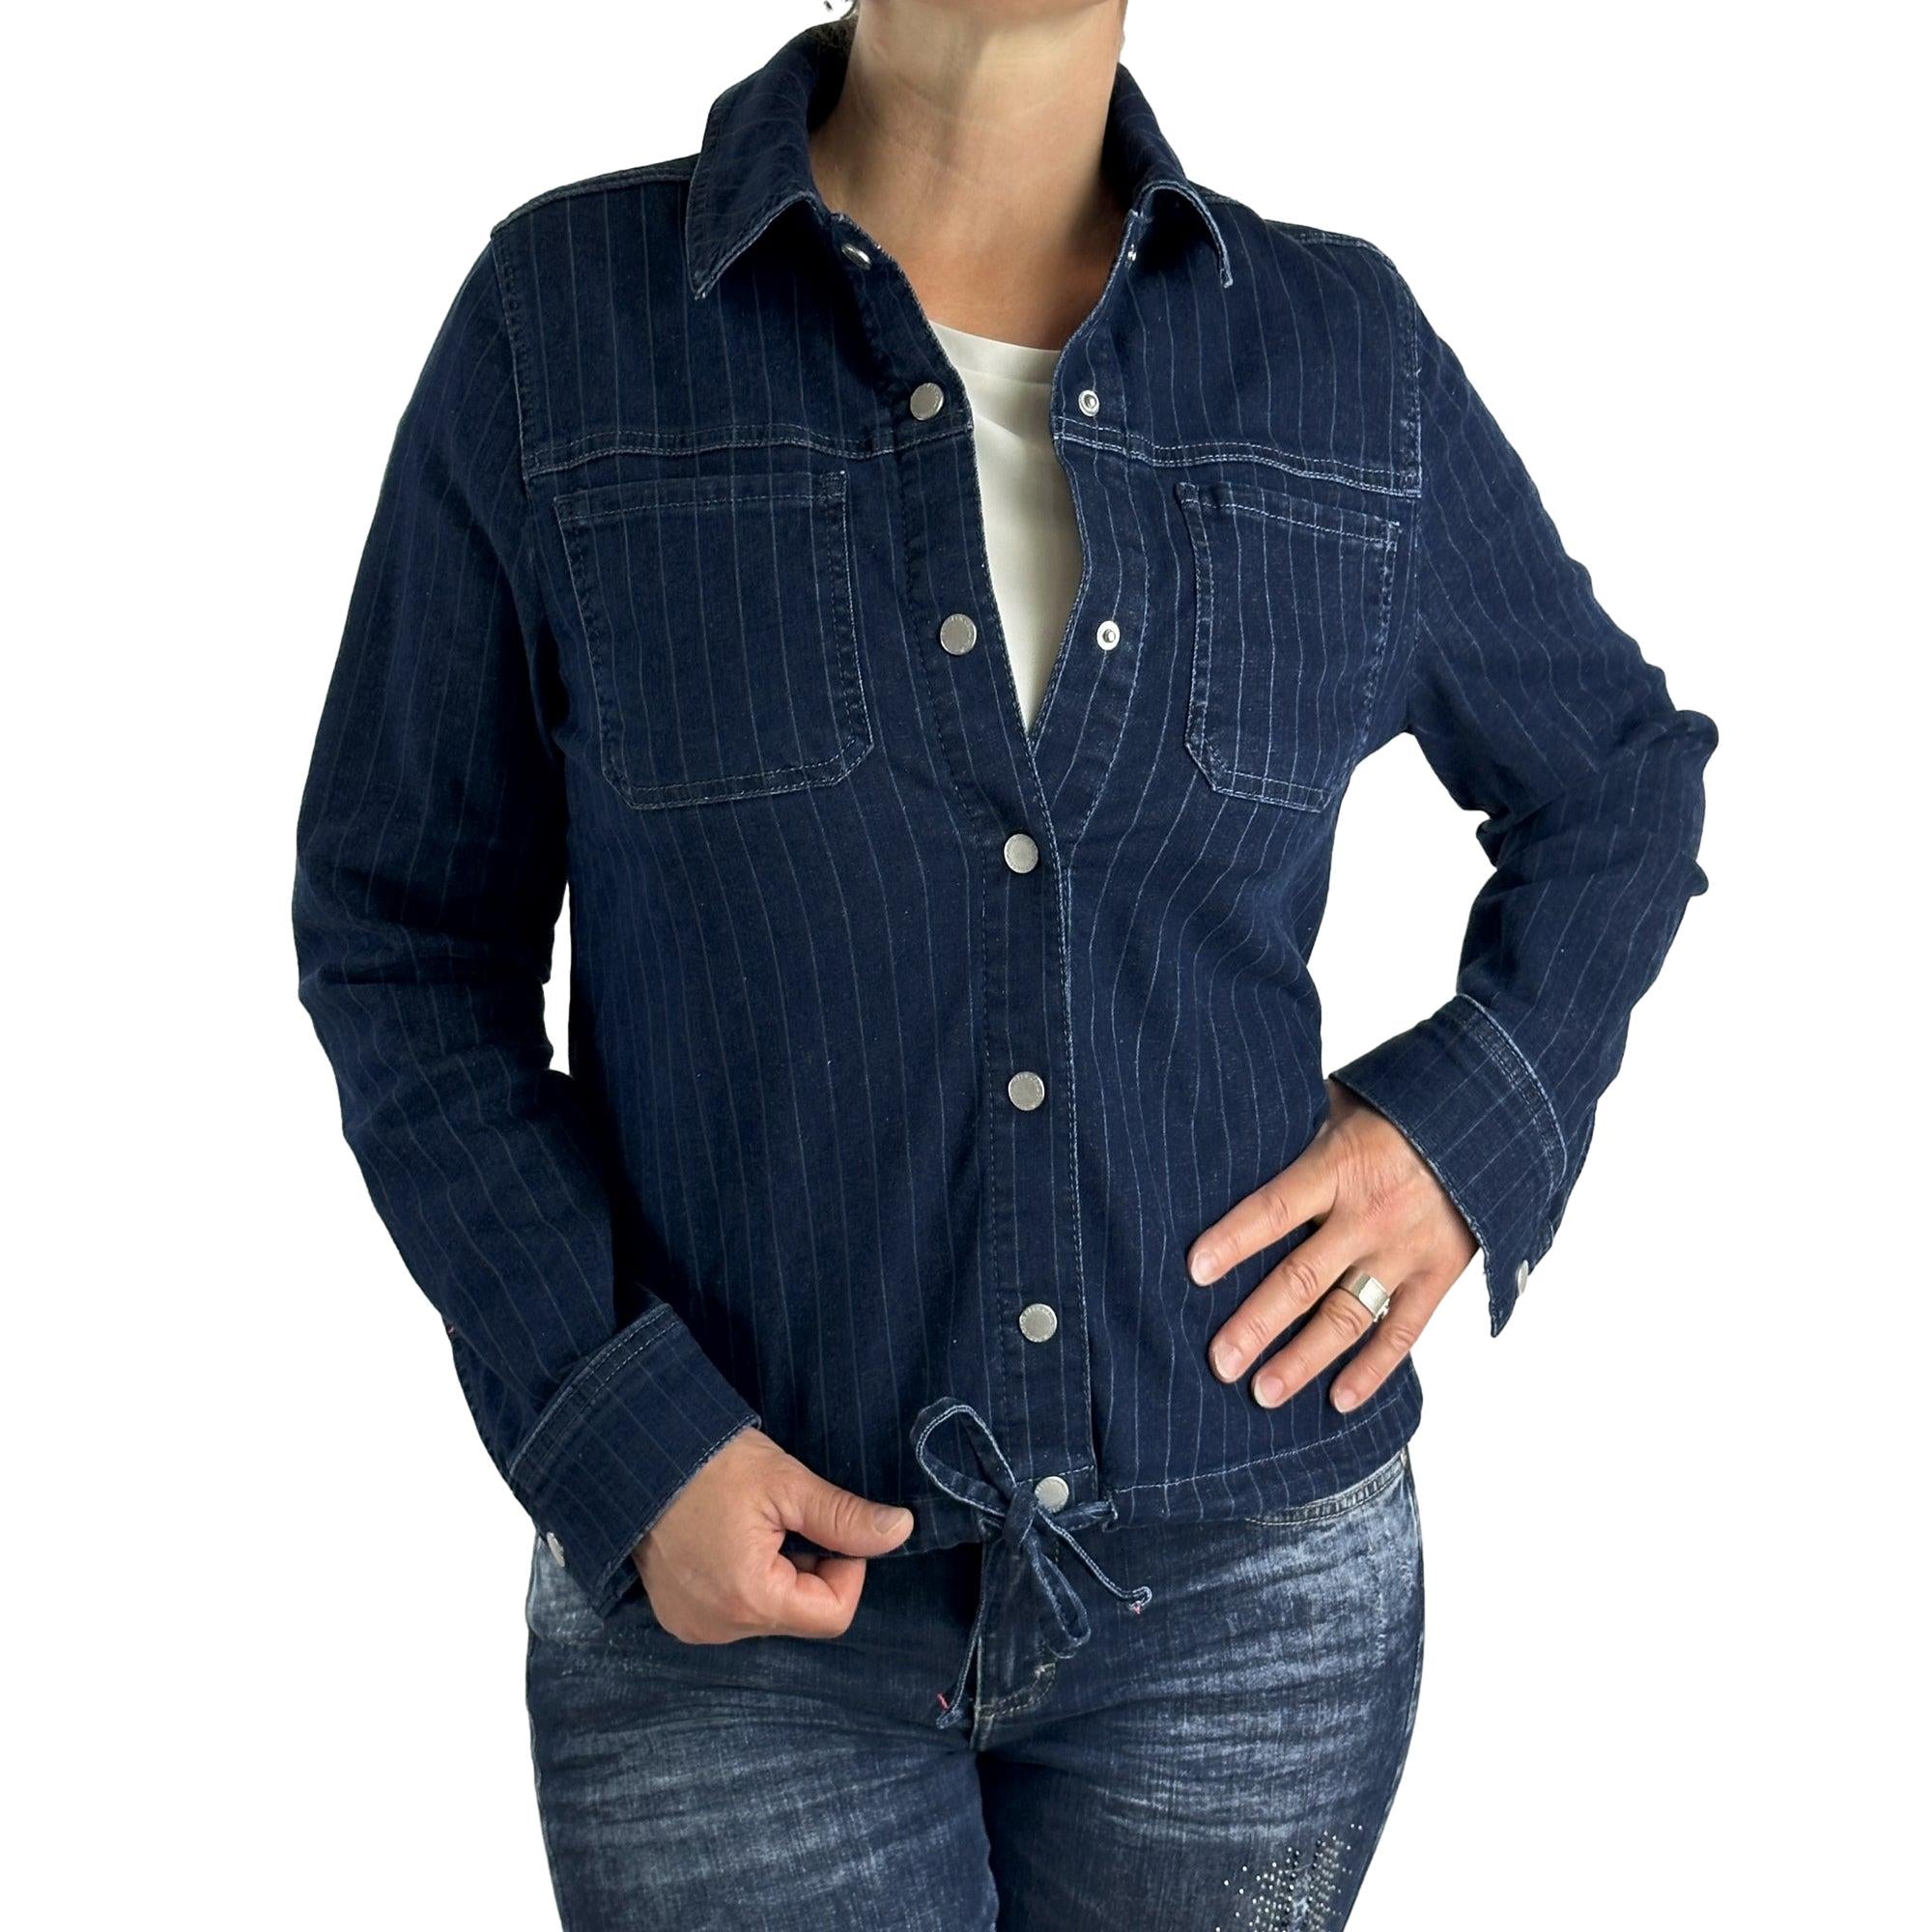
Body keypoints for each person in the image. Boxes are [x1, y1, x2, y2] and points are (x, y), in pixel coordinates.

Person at [292, 3, 1716, 1924]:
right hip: (729, 1618)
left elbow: (1615, 780)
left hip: (1248, 1603)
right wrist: (617, 1427)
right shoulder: (565, 330)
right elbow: (401, 930)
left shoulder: (1339, 356)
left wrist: (1468, 1132)